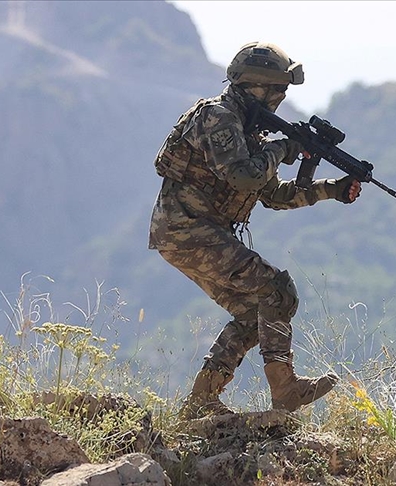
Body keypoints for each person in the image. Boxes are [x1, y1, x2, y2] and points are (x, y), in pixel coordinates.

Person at [148, 42, 361, 420]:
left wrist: (334, 189)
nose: (281, 98)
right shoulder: (218, 117)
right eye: (278, 90)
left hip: (193, 232)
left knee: (253, 314)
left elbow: (274, 195)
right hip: (187, 230)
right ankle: (286, 390)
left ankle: (201, 401)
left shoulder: (247, 133)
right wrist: (284, 149)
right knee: (277, 290)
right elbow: (244, 177)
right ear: (255, 87)